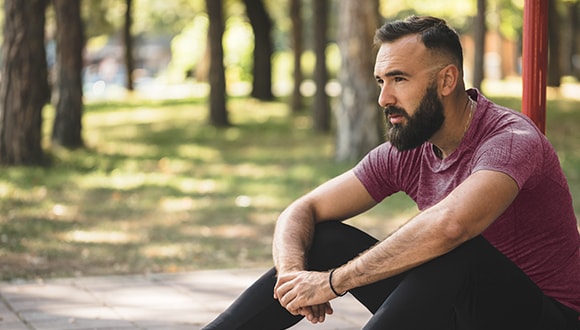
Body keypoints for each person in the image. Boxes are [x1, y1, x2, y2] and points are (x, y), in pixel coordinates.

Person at [203, 15, 580, 329]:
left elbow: (450, 226)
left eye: (399, 79)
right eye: (381, 81)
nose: (384, 98)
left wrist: (332, 283)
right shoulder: (411, 147)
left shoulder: (511, 140)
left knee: (455, 248)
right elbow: (303, 210)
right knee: (325, 239)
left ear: (447, 81)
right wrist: (294, 280)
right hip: (457, 313)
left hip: (544, 318)